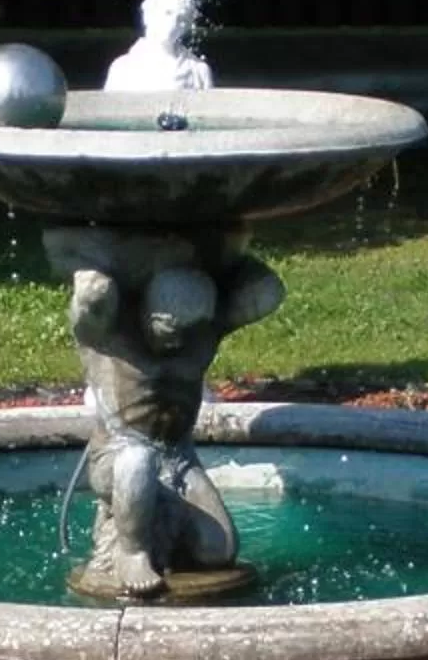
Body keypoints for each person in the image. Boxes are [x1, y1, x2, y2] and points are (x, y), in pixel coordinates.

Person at [66, 254, 282, 597]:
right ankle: (131, 551)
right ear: (149, 310)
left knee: (218, 551)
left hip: (179, 459)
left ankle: (165, 530)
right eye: (169, 328)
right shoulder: (110, 341)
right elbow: (89, 306)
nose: (178, 339)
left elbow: (268, 293)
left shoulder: (200, 335)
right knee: (138, 459)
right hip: (117, 455)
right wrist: (93, 284)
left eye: (188, 330)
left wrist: (223, 252)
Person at [103, 0, 214, 94]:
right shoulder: (122, 68)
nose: (173, 23)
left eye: (181, 19)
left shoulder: (199, 70)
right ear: (148, 14)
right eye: (168, 13)